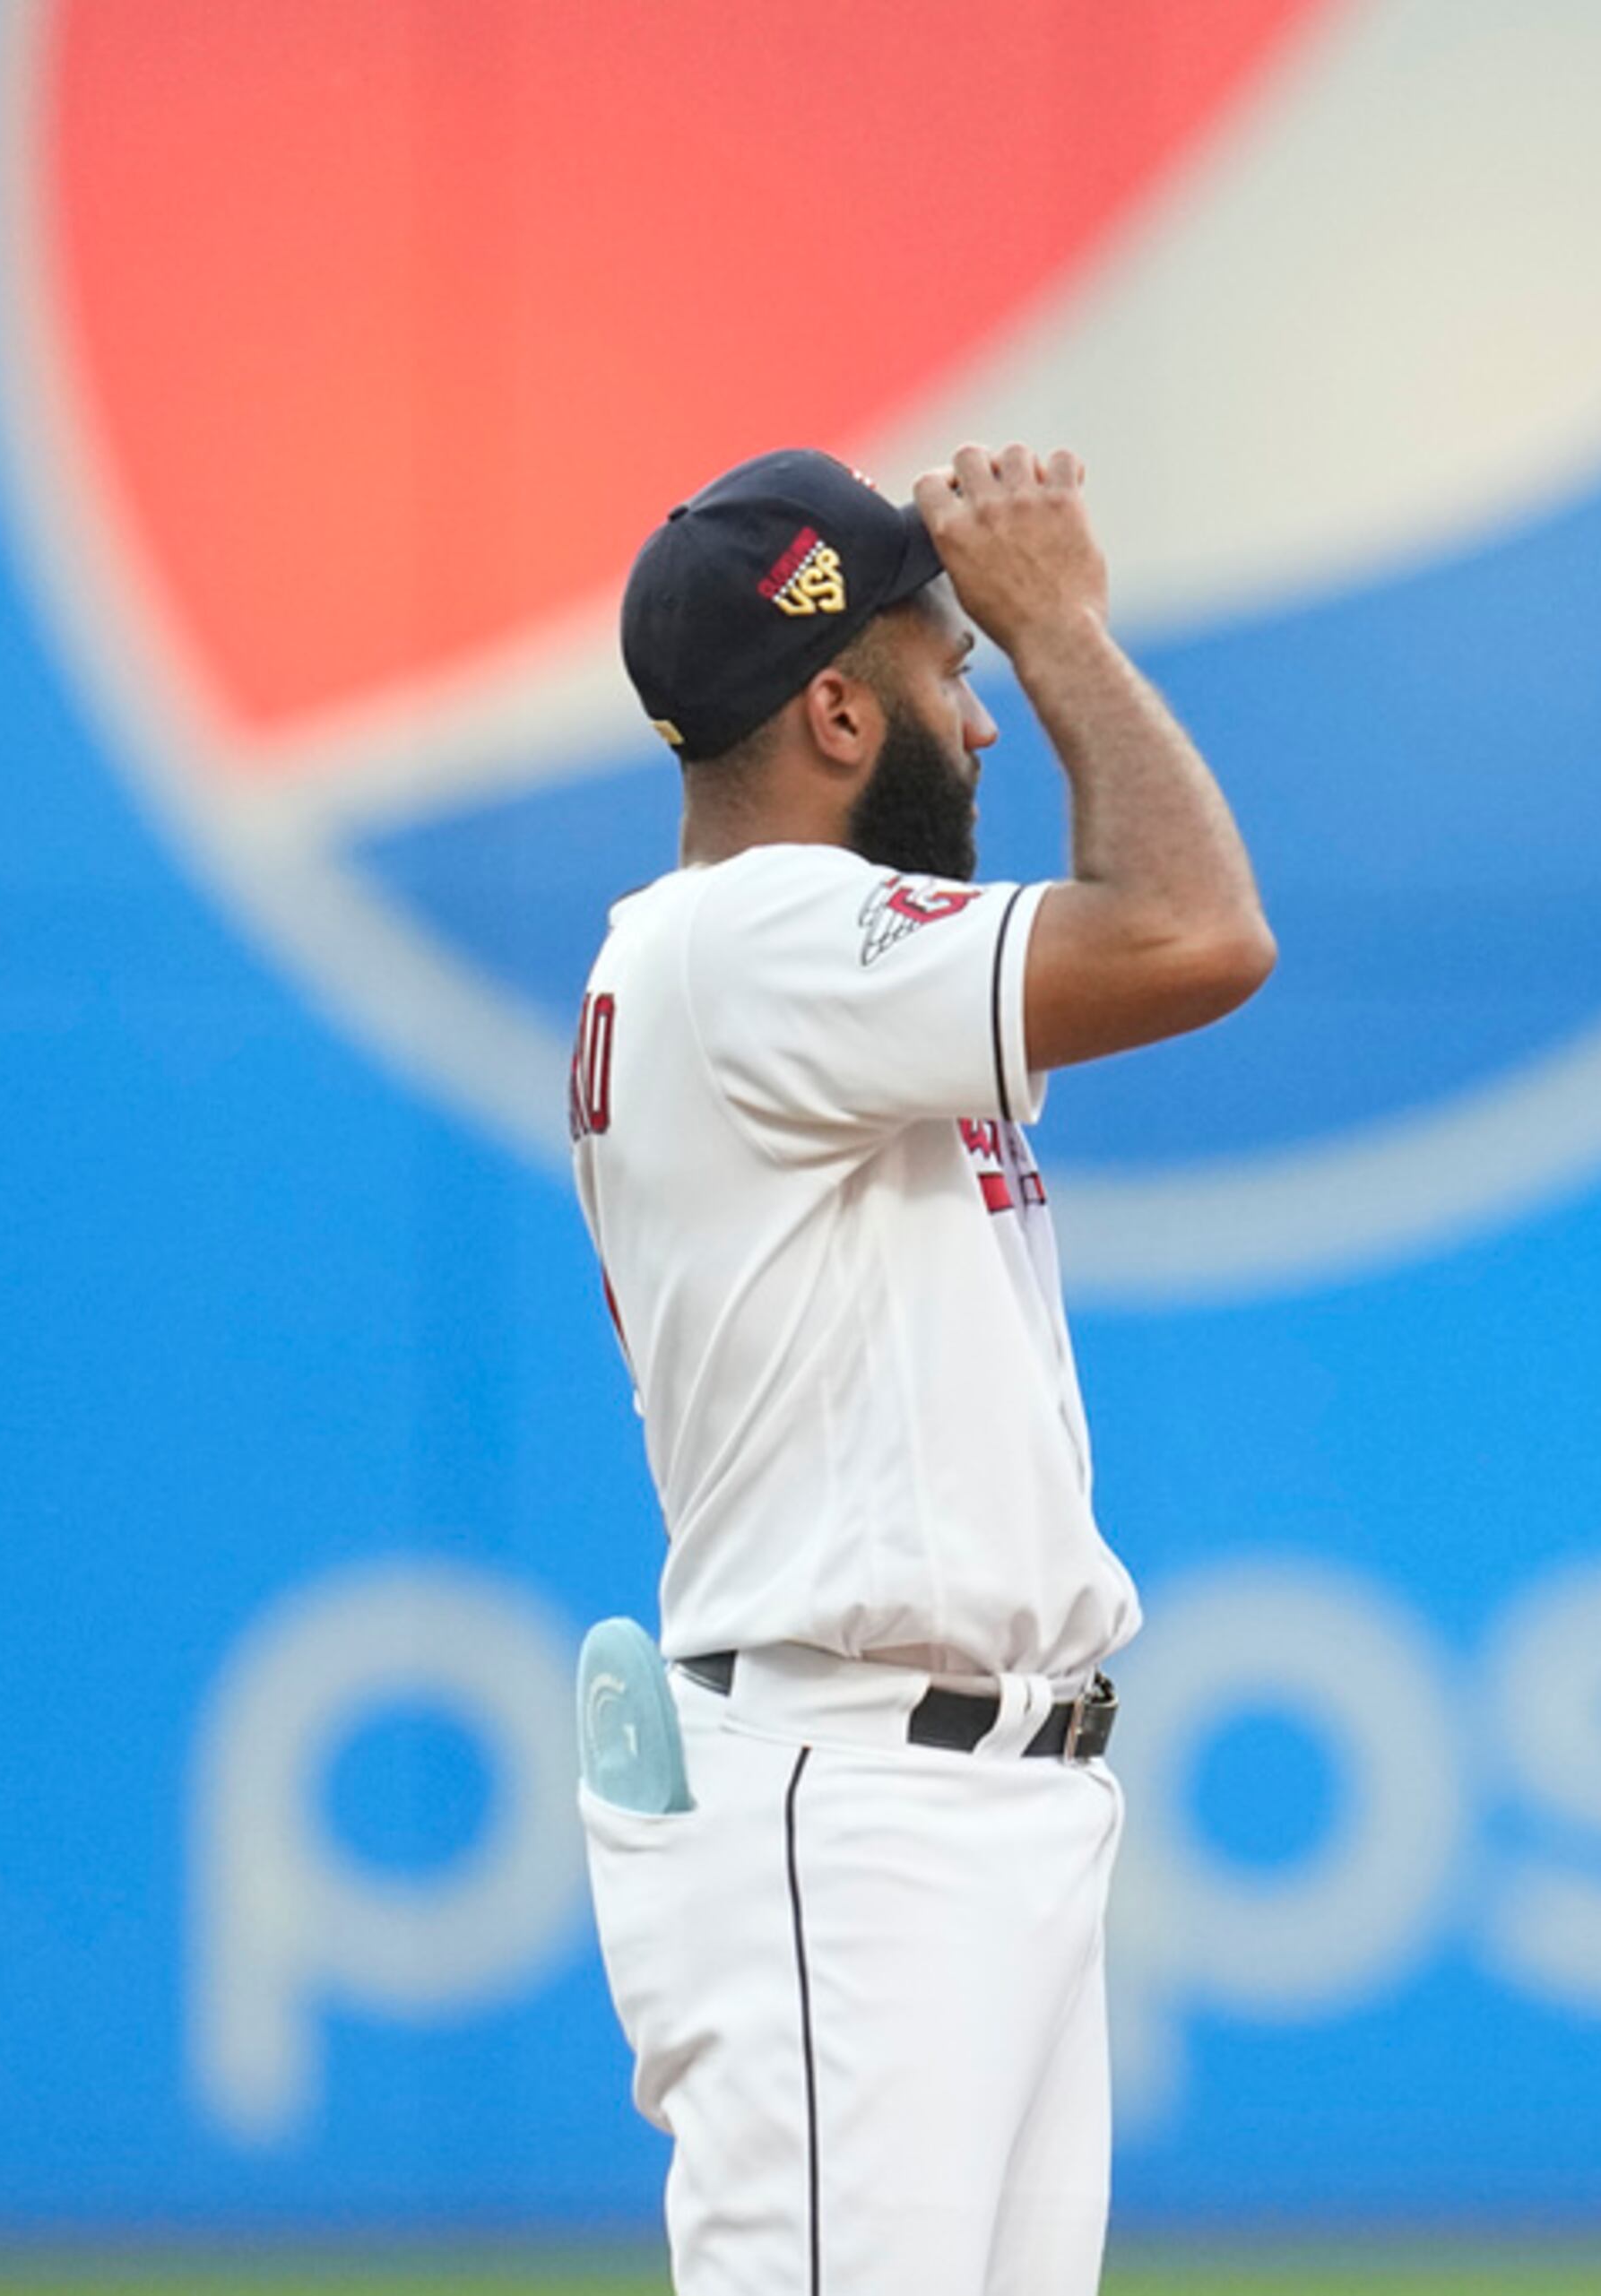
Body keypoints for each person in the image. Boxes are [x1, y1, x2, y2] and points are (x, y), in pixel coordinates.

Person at [567, 441, 1273, 2293]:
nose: (980, 724)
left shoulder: (770, 969)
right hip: (851, 1811)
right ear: (830, 709)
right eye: (946, 673)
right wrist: (1067, 630)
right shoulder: (760, 935)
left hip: (953, 1809)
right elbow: (1200, 932)